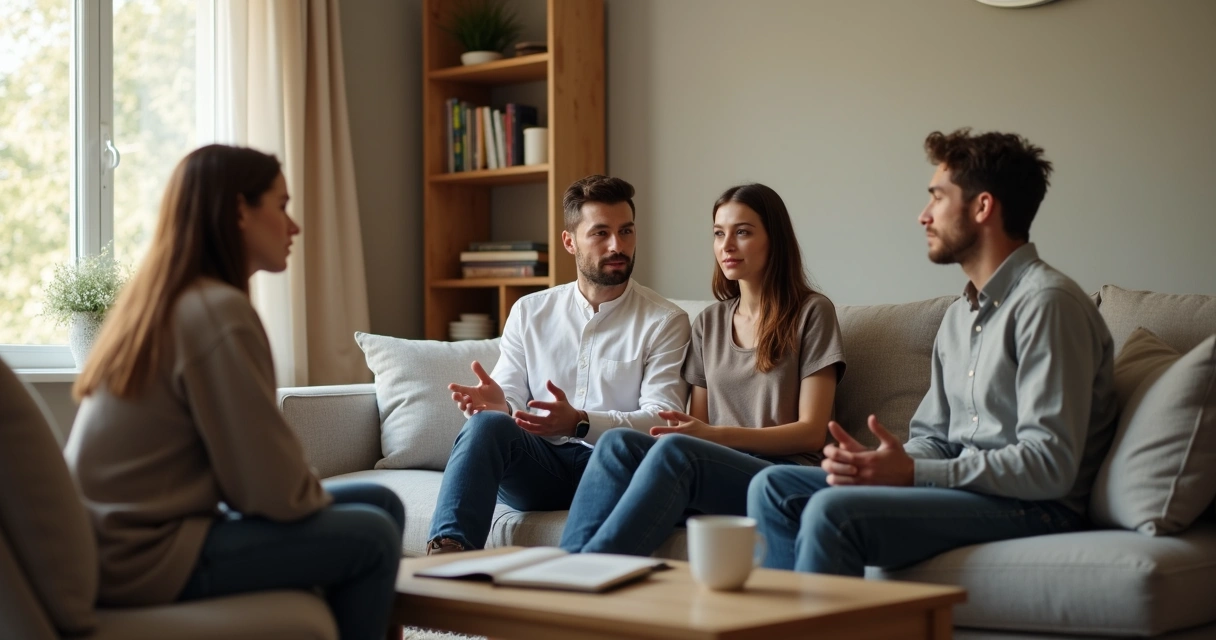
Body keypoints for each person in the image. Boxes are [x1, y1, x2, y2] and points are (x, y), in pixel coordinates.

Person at [65, 145, 404, 640]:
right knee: (371, 535)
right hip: (146, 558)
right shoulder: (217, 313)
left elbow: (255, 481)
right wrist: (298, 487)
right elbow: (266, 489)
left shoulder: (171, 301)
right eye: (281, 205)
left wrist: (295, 487)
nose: (294, 226)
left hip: (116, 544)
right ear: (239, 211)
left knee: (381, 502)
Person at [747, 128, 1118, 576]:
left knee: (833, 513)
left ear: (982, 207)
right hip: (963, 491)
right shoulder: (961, 313)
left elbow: (1049, 464)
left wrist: (915, 475)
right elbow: (939, 438)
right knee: (772, 486)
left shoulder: (1048, 305)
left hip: (1035, 507)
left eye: (937, 198)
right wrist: (882, 464)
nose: (923, 216)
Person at [560, 183, 846, 556]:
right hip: (716, 466)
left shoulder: (812, 313)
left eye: (742, 232)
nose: (726, 246)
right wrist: (702, 437)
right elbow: (695, 427)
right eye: (718, 234)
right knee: (616, 442)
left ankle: (586, 571)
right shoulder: (709, 322)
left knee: (681, 454)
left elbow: (811, 433)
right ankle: (569, 564)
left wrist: (714, 437)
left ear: (774, 239)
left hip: (781, 473)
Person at [426, 175, 691, 554]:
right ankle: (447, 555)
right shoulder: (530, 311)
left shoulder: (665, 320)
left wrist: (580, 421)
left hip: (613, 468)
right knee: (487, 423)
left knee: (619, 447)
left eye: (626, 231)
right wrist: (501, 407)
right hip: (539, 467)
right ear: (570, 241)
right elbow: (511, 397)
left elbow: (662, 421)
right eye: (600, 233)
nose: (618, 245)